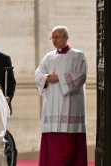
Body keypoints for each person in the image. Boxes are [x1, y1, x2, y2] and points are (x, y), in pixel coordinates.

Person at [35, 25, 88, 166]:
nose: (54, 40)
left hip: (69, 105)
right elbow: (38, 74)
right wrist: (47, 77)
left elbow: (81, 76)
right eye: (52, 37)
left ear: (66, 37)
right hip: (52, 106)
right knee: (52, 149)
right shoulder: (49, 56)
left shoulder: (77, 55)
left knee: (69, 148)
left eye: (57, 37)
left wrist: (59, 78)